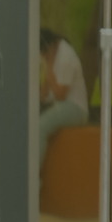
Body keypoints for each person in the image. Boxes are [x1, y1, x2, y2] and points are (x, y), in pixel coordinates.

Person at [34, 25, 90, 177]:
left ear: (50, 47)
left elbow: (60, 94)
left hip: (75, 108)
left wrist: (50, 67)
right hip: (58, 104)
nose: (42, 57)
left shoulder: (66, 57)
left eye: (43, 53)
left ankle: (33, 177)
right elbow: (45, 94)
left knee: (40, 127)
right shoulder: (53, 55)